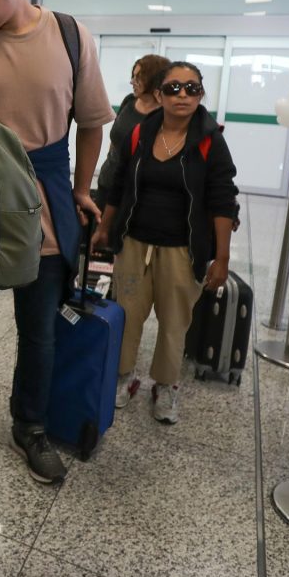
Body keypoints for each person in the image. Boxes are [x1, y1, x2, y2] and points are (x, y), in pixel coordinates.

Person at [0, 0, 115, 484]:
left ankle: (32, 426)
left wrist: (82, 189)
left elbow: (91, 123)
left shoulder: (70, 37)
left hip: (45, 194)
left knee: (40, 329)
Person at [93, 61, 238, 422]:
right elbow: (119, 184)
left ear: (201, 94)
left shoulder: (210, 141)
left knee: (175, 323)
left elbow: (222, 201)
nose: (183, 95)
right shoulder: (140, 134)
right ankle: (124, 376)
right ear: (159, 94)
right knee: (126, 316)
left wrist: (221, 258)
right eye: (173, 88)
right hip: (134, 243)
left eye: (191, 88)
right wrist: (104, 227)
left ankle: (166, 385)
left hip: (183, 250)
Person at [96, 54, 170, 203]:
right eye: (133, 76)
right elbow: (115, 140)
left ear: (154, 80)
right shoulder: (129, 101)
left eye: (138, 78)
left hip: (137, 193)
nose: (132, 82)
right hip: (108, 182)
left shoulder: (166, 114)